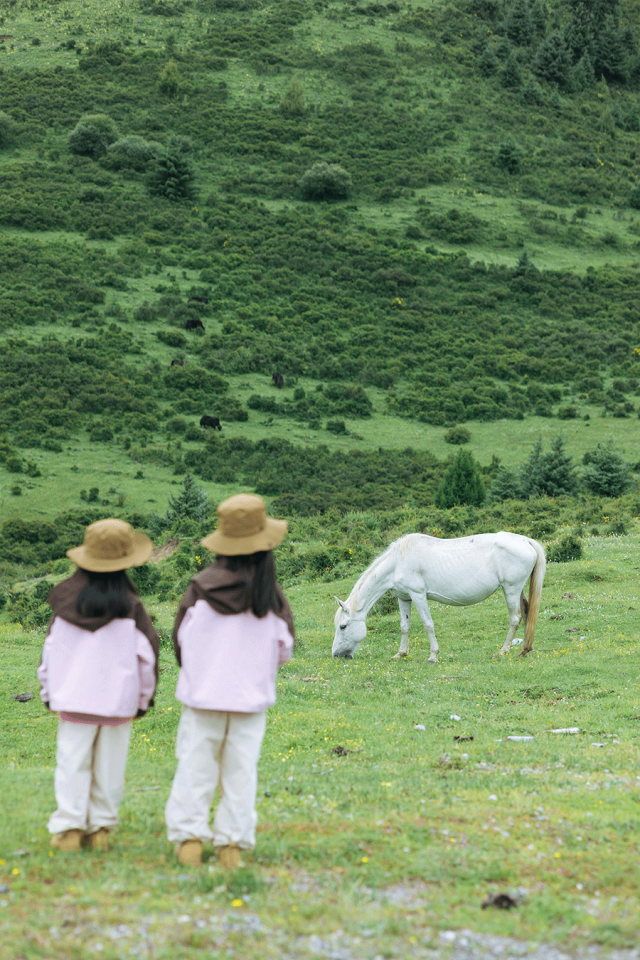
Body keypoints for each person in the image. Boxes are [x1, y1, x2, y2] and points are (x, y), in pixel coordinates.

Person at [165, 494, 295, 869]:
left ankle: (189, 840)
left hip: (202, 698)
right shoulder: (270, 597)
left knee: (195, 766)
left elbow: (180, 641)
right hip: (249, 701)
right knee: (240, 772)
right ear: (264, 546)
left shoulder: (198, 589)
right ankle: (232, 846)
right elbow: (283, 648)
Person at [38, 518, 159, 853]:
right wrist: (143, 700)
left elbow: (49, 655)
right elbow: (146, 659)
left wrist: (49, 695)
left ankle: (69, 830)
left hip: (74, 701)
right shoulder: (131, 608)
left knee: (72, 762)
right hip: (118, 702)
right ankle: (101, 828)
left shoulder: (63, 607)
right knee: (110, 766)